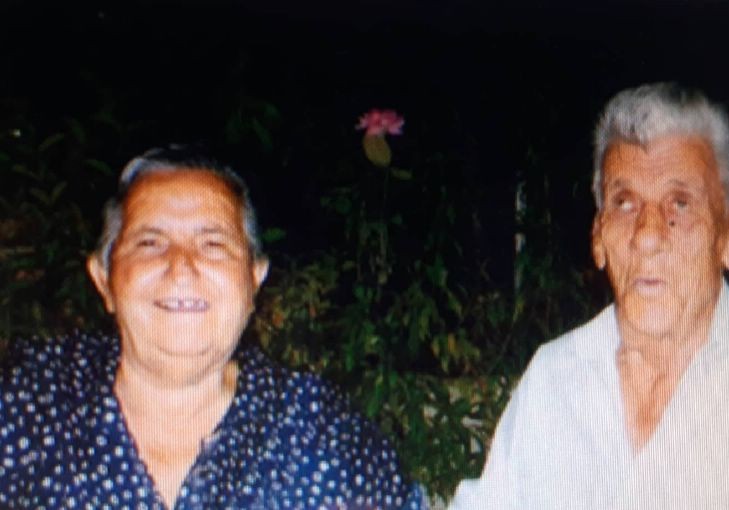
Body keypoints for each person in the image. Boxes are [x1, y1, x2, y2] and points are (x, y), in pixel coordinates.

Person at [0, 147, 427, 509]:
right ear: (103, 279)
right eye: (150, 242)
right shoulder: (26, 405)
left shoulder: (327, 437)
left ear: (254, 280)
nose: (181, 266)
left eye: (213, 244)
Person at [449, 83, 729, 509]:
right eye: (625, 203)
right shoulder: (555, 378)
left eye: (680, 203)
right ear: (599, 237)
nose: (647, 236)